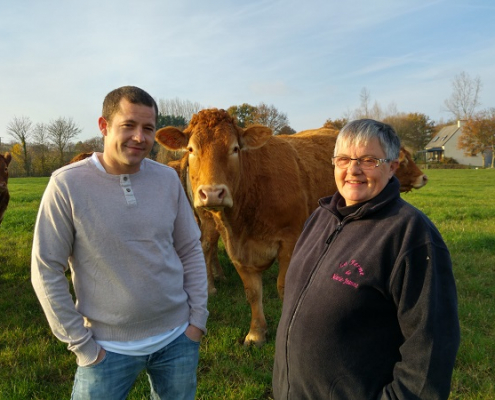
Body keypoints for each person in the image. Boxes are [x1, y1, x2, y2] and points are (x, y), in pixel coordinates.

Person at [31, 86, 208, 400]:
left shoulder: (167, 179)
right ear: (104, 126)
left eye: (148, 128)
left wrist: (196, 321)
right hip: (105, 348)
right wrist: (83, 346)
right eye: (128, 126)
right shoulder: (66, 184)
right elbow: (46, 270)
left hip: (177, 340)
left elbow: (190, 248)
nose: (139, 137)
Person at [272, 119, 460, 399]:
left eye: (368, 160)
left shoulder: (410, 235)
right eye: (343, 159)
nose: (353, 170)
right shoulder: (319, 217)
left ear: (393, 167)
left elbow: (430, 351)